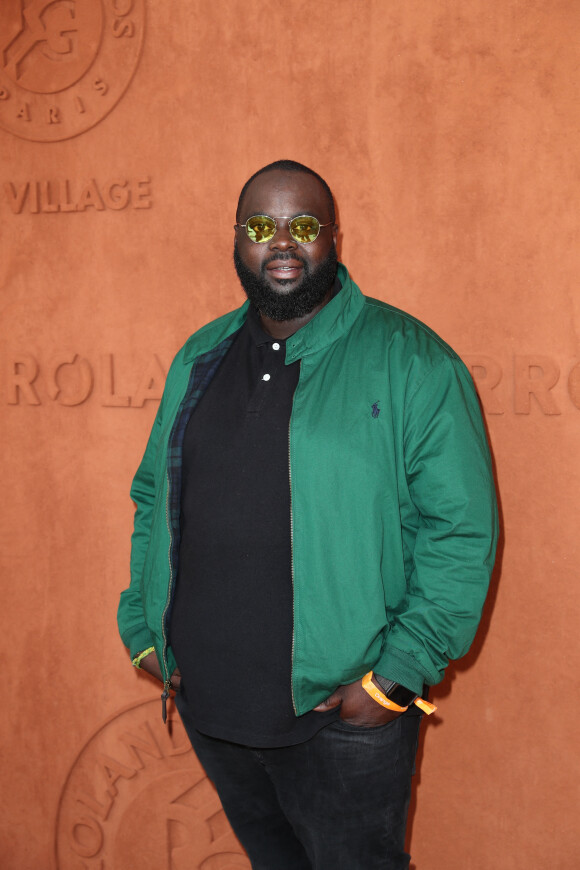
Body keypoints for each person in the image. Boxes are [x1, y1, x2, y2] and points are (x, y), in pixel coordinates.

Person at [117, 159, 498, 869]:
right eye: (263, 225)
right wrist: (144, 629)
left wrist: (396, 674)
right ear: (238, 239)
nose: (282, 241)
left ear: (334, 238)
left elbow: (461, 529)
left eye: (304, 225)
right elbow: (152, 497)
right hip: (210, 705)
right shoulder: (199, 357)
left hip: (341, 722)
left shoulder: (412, 361)